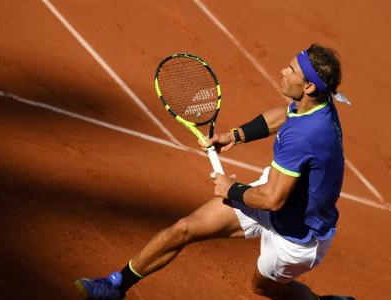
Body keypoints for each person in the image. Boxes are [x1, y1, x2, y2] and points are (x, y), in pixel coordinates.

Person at [75, 44, 349, 300]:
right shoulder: (315, 106)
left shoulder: (304, 137)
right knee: (184, 228)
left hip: (296, 234)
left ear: (309, 86)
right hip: (280, 194)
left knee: (262, 287)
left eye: (291, 70)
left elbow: (272, 200)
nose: (283, 71)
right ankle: (115, 286)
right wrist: (235, 135)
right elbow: (285, 115)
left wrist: (230, 188)